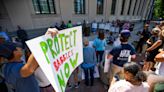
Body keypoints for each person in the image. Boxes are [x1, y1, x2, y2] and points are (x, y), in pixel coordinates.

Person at [0, 28, 58, 92]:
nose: (21, 48)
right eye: (18, 48)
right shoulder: (11, 68)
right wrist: (44, 41)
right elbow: (29, 69)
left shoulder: (15, 64)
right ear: (14, 52)